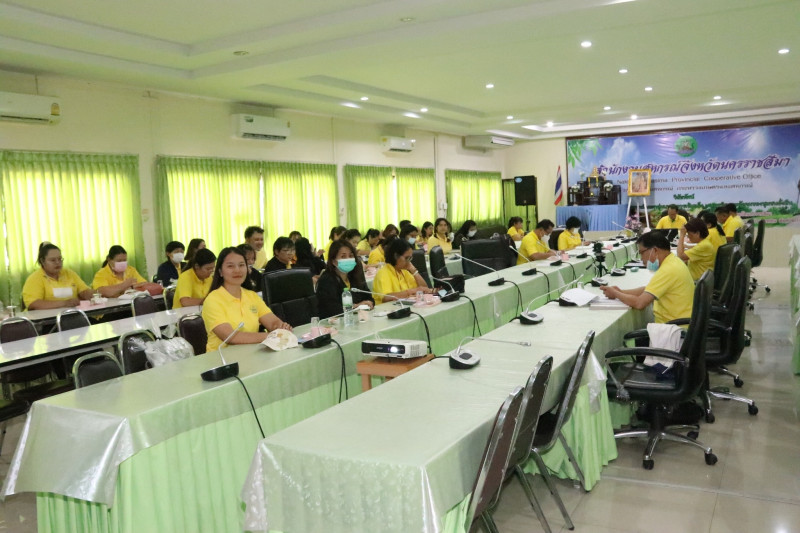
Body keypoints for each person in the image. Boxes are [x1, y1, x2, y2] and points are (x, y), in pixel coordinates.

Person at [201, 247, 291, 352]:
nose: (237, 270)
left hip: (251, 354)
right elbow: (231, 337)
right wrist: (271, 336)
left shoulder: (252, 296)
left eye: (241, 265)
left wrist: (280, 328)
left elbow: (272, 322)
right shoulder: (213, 300)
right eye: (230, 266)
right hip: (221, 358)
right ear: (220, 271)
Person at [600, 232, 694, 323]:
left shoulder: (667, 270)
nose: (641, 258)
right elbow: (648, 290)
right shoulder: (673, 261)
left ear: (655, 250)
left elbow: (639, 303)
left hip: (674, 328)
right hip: (679, 322)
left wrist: (616, 294)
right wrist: (620, 291)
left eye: (642, 253)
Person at [22, 242, 93, 310]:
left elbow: (84, 291)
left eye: (60, 259)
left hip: (72, 314)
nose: (57, 262)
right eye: (53, 260)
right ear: (42, 261)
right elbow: (33, 304)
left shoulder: (69, 274)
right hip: (46, 317)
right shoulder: (35, 278)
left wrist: (94, 294)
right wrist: (65, 303)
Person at [315, 240, 375, 318]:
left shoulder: (355, 276)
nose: (348, 259)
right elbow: (331, 310)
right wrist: (356, 307)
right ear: (334, 261)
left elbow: (369, 297)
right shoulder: (326, 280)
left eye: (351, 256)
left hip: (357, 319)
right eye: (343, 256)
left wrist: (369, 303)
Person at [372, 239, 434, 304]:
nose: (409, 261)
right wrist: (412, 291)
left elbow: (424, 289)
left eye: (410, 258)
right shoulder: (383, 273)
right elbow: (386, 297)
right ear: (395, 256)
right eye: (407, 258)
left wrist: (414, 271)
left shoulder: (404, 271)